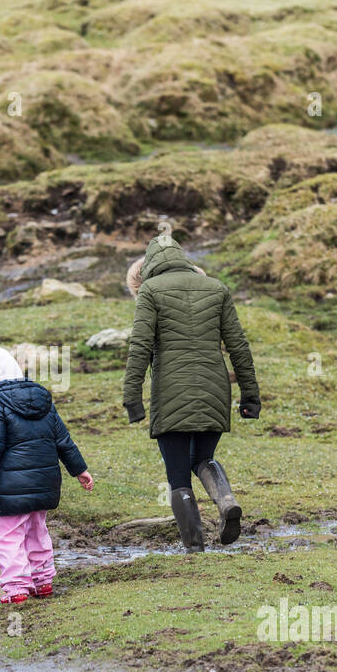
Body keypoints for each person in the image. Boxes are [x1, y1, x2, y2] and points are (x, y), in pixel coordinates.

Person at [122, 235, 260, 553]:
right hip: (215, 391)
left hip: (170, 395)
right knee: (203, 458)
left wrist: (132, 399)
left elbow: (139, 347)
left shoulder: (150, 292)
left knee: (178, 474)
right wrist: (251, 395)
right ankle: (226, 502)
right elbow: (238, 345)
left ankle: (194, 548)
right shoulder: (216, 288)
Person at [0, 347, 93, 604]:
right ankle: (42, 580)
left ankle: (16, 587)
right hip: (45, 481)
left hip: (12, 485)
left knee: (8, 535)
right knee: (37, 528)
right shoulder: (43, 400)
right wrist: (79, 469)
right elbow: (63, 441)